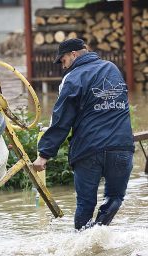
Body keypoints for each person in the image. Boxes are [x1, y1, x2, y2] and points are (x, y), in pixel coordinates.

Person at [33, 38, 134, 230]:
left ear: (73, 54)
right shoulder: (112, 68)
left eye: (63, 60)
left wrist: (44, 155)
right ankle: (97, 235)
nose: (63, 66)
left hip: (89, 150)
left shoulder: (73, 78)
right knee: (115, 198)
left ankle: (83, 244)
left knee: (85, 204)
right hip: (121, 148)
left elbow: (61, 119)